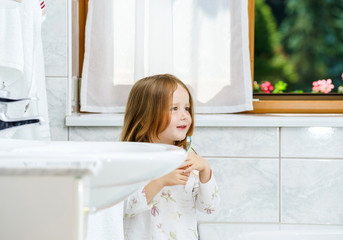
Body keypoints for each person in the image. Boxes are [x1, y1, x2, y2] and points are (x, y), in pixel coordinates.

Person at [121, 74, 219, 240]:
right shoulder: (131, 161)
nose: (184, 116)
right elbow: (125, 209)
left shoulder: (187, 160)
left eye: (186, 108)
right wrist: (161, 181)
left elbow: (209, 208)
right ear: (144, 118)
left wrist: (205, 170)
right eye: (174, 108)